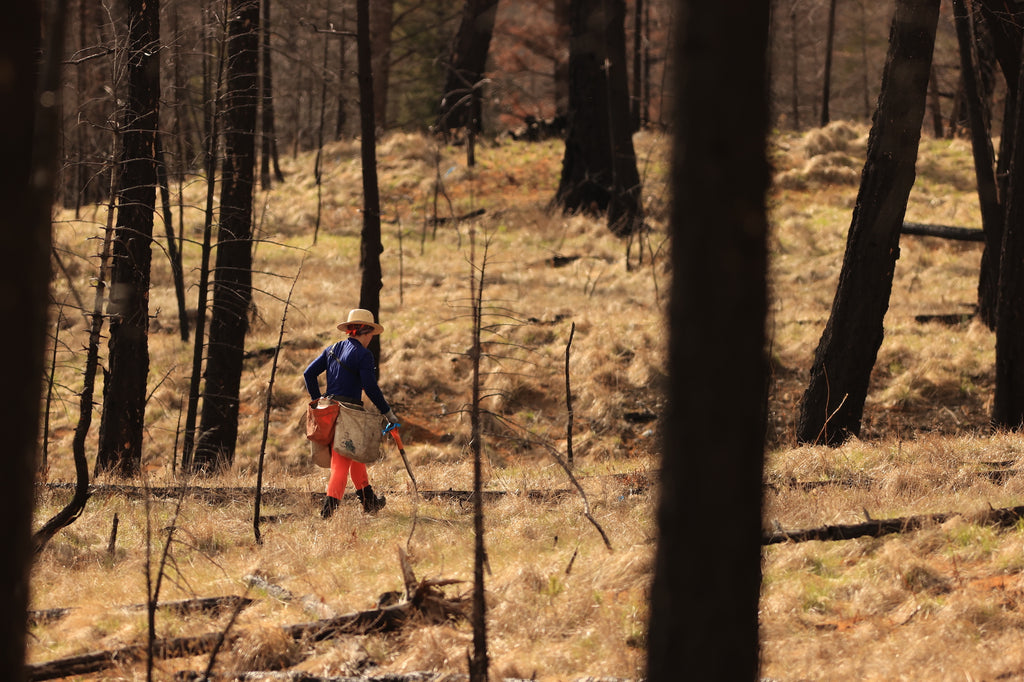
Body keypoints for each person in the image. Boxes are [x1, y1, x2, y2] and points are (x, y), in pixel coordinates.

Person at [303, 309, 399, 518]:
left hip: (328, 409)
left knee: (354, 457)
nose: (372, 338)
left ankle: (369, 501)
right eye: (372, 333)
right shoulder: (364, 355)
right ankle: (327, 514)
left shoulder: (331, 349)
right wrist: (388, 412)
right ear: (365, 332)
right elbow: (370, 388)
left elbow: (308, 374)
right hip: (349, 414)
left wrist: (318, 400)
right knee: (341, 463)